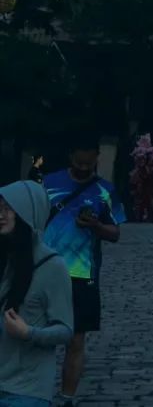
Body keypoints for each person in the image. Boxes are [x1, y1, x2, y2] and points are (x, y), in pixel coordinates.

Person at [42, 139, 124, 407]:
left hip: (83, 275)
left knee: (76, 341)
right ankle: (37, 393)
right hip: (45, 272)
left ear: (97, 158)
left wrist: (96, 226)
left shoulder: (105, 190)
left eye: (89, 163)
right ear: (71, 156)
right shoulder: (49, 184)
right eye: (80, 163)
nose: (84, 168)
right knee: (37, 338)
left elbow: (115, 233)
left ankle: (67, 398)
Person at [0, 179, 73, 407]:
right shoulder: (5, 260)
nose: (1, 215)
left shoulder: (52, 266)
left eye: (9, 209)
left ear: (28, 213)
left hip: (27, 391)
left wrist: (28, 333)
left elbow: (65, 330)